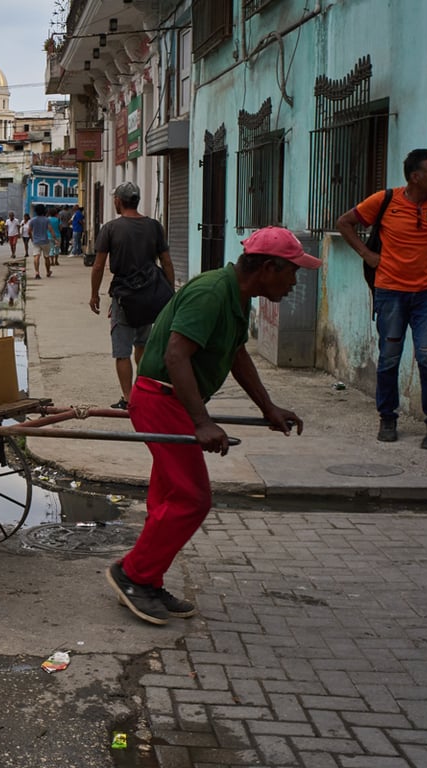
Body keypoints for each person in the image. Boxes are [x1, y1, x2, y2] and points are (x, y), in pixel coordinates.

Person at [104, 226, 320, 625]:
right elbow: (176, 355)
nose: (294, 283)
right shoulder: (211, 293)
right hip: (160, 399)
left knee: (168, 498)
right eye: (292, 272)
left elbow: (236, 355)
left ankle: (146, 579)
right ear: (269, 268)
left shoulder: (236, 296)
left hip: (173, 400)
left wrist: (268, 407)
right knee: (192, 499)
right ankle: (132, 575)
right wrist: (202, 422)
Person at [336, 148, 427, 449]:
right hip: (390, 292)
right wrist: (367, 254)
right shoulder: (385, 200)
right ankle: (387, 418)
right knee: (389, 357)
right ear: (415, 177)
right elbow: (344, 222)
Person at [90, 182, 176, 410]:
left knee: (122, 352)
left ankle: (129, 399)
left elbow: (98, 266)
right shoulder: (155, 227)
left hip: (124, 297)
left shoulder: (110, 229)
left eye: (114, 199)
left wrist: (94, 295)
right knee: (143, 345)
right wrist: (171, 293)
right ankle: (142, 391)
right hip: (150, 296)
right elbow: (166, 261)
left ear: (118, 201)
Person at [30, 204, 52, 279]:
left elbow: (29, 231)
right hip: (45, 241)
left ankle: (37, 272)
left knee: (36, 256)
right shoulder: (46, 220)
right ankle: (48, 272)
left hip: (36, 241)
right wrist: (55, 238)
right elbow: (50, 229)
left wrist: (32, 238)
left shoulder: (33, 220)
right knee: (46, 257)